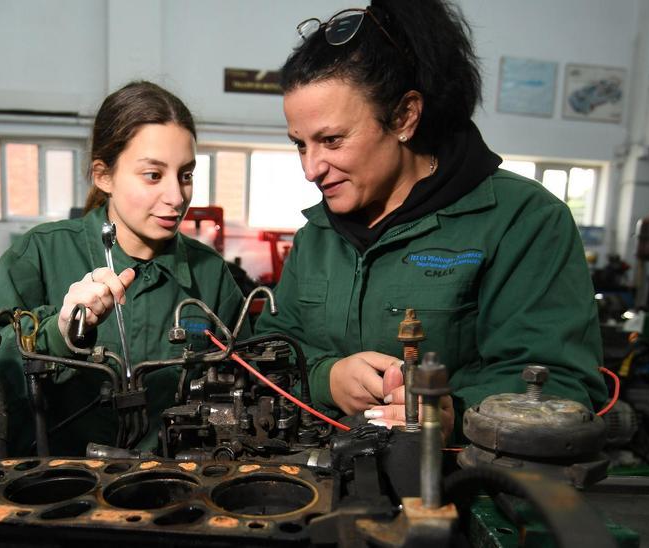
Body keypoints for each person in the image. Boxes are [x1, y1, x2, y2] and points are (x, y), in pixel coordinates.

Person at [257, 0, 608, 440]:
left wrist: (454, 413)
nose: (311, 169)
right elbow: (268, 349)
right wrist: (326, 376)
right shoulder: (319, 235)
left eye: (331, 140)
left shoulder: (521, 220)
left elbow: (561, 383)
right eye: (300, 145)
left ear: (405, 116)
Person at [0, 81, 246, 456]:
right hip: (59, 492)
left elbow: (250, 387)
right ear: (104, 175)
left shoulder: (211, 277)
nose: (176, 197)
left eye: (185, 175)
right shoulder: (41, 253)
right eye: (153, 175)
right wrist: (55, 335)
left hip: (176, 491)